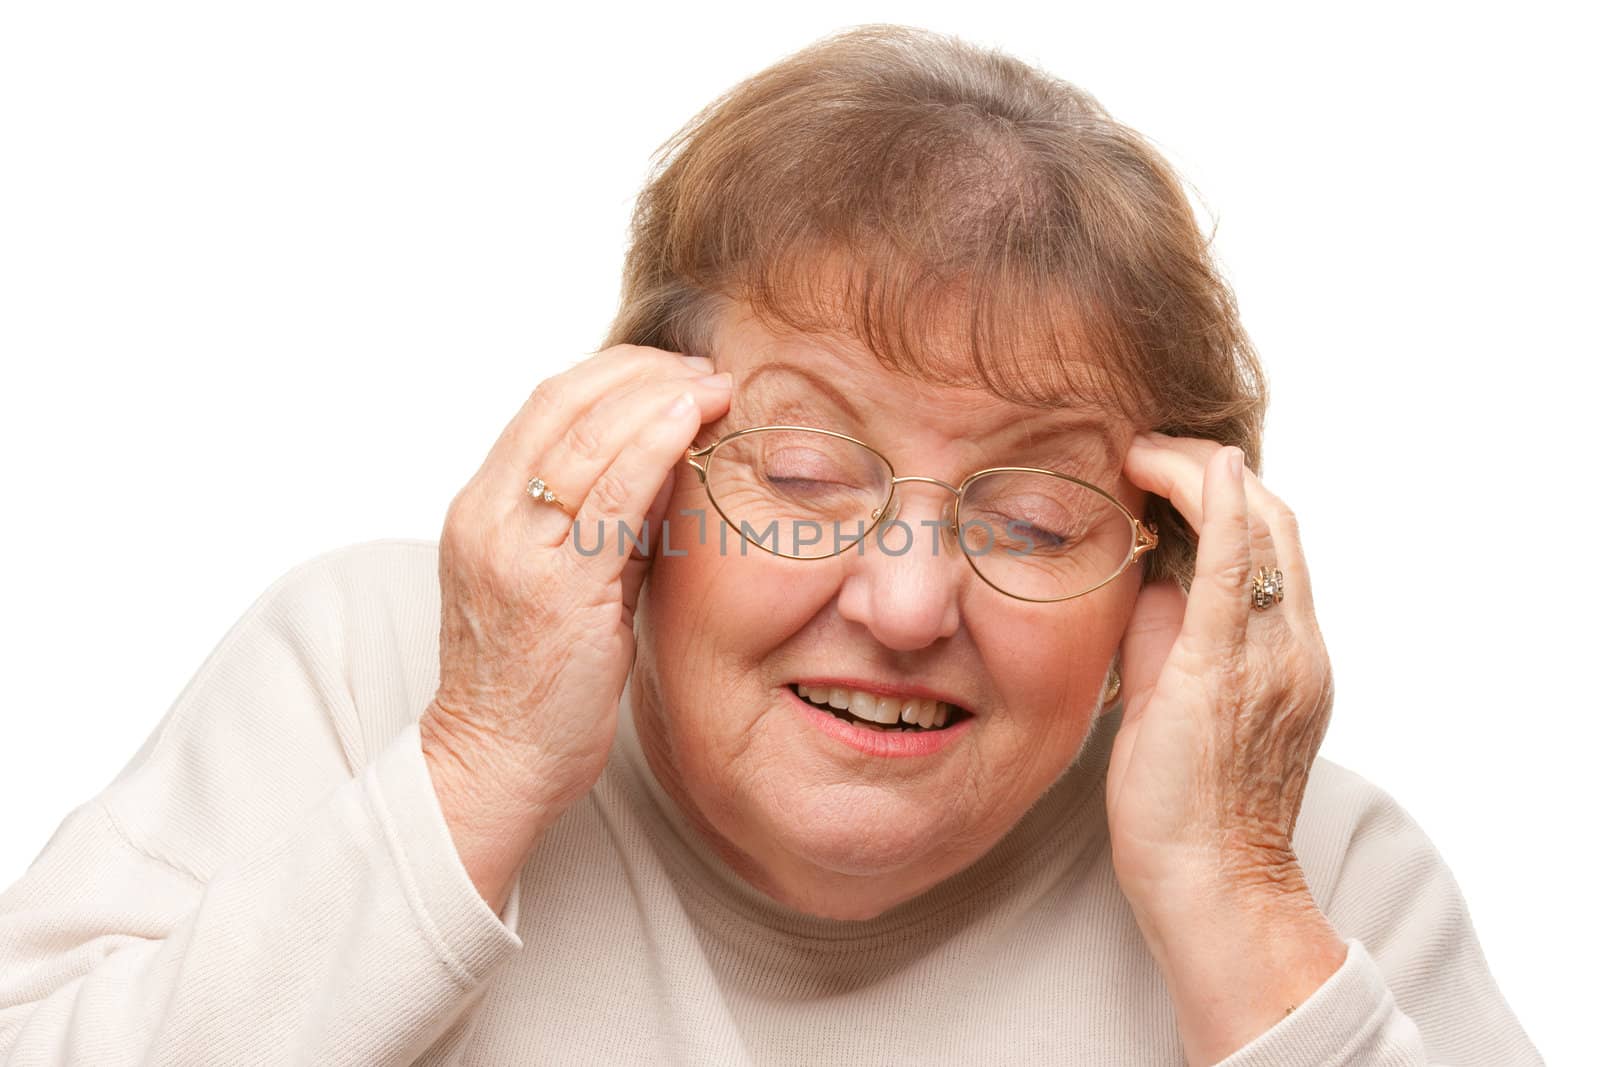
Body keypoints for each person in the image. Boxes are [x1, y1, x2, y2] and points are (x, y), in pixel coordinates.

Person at [0, 22, 1541, 1067]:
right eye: (805, 474)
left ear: (1165, 576)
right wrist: (469, 772)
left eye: (1035, 517)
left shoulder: (1303, 863)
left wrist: (1237, 909)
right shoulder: (372, 671)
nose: (907, 600)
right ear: (650, 458)